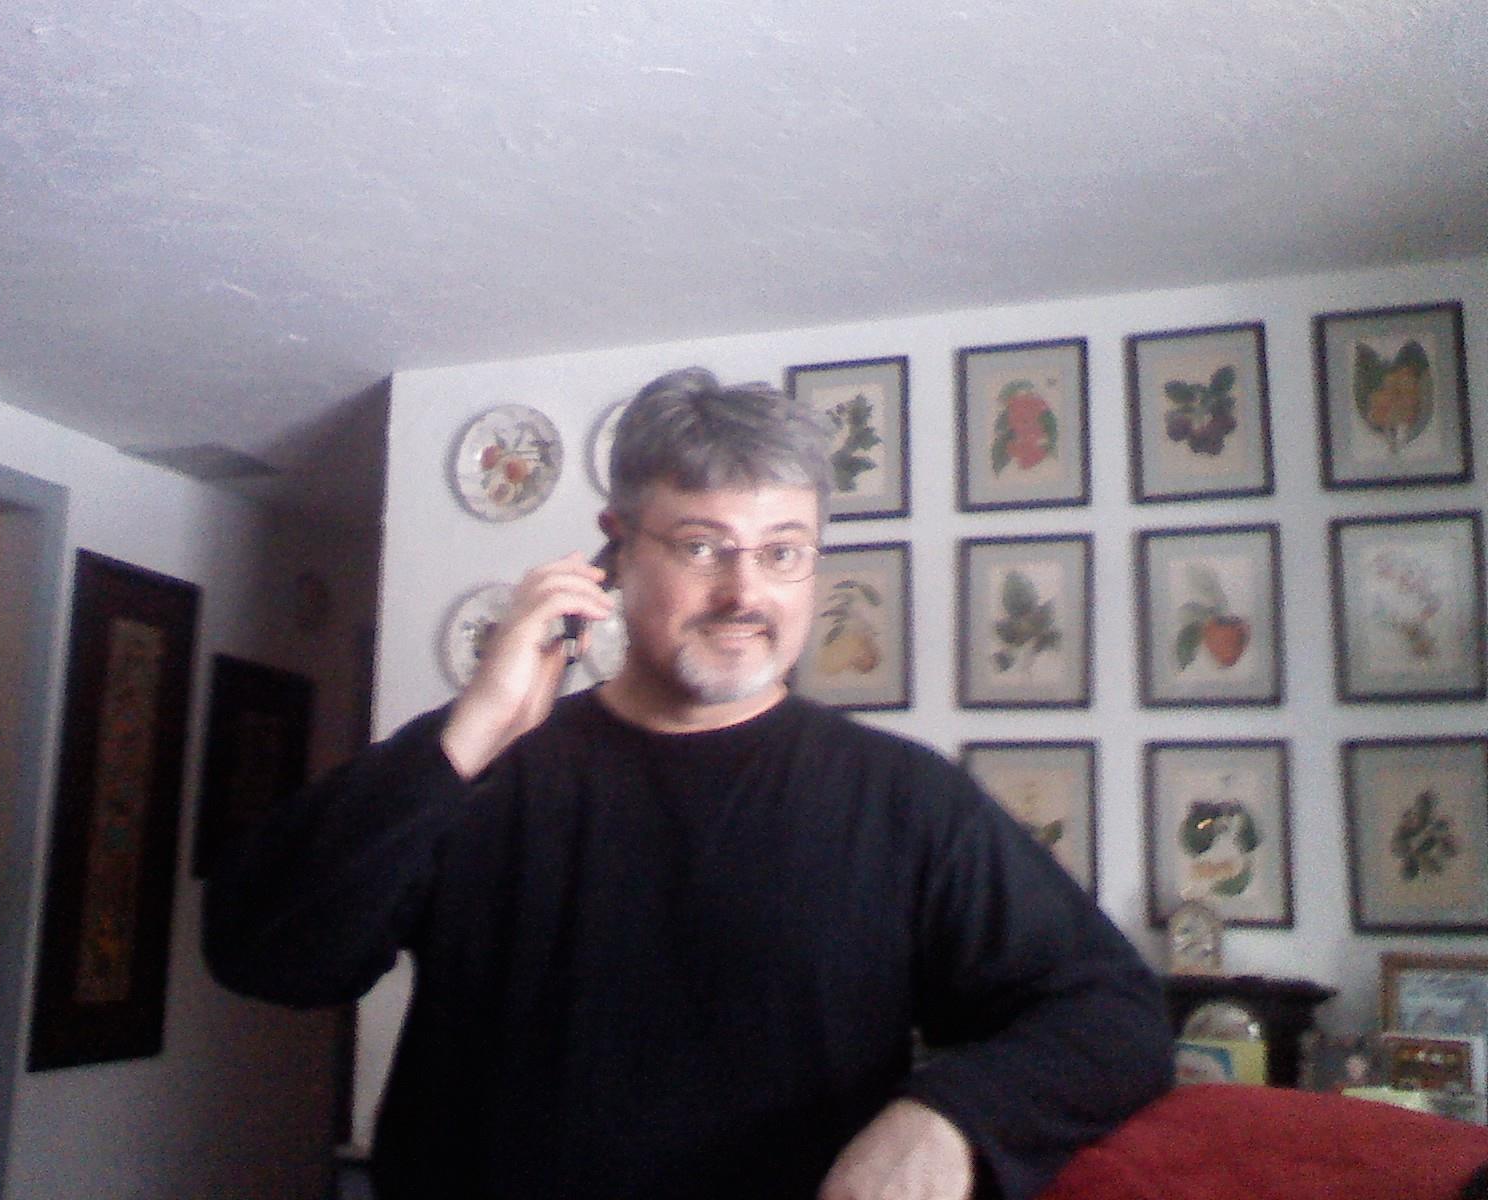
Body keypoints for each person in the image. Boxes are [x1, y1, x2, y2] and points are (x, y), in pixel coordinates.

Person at [204, 366, 1173, 1200]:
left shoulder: (904, 800)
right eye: (702, 545)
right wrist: (469, 729)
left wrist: (950, 1117)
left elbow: (1113, 1016)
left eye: (783, 552)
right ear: (615, 549)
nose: (745, 593)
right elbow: (267, 953)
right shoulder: (483, 770)